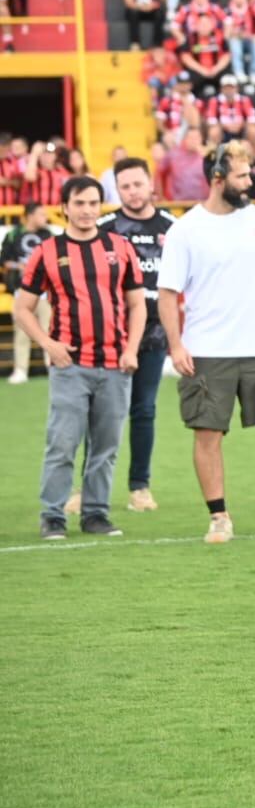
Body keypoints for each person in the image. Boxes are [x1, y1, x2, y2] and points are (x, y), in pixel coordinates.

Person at [157, 142, 255, 543]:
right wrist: (176, 345)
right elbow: (168, 293)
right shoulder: (185, 229)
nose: (250, 182)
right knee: (207, 434)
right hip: (206, 350)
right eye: (242, 177)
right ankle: (219, 515)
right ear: (218, 179)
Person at [17, 176, 145, 540]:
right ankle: (53, 516)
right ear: (64, 207)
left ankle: (95, 515)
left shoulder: (120, 247)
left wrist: (132, 348)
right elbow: (23, 308)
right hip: (70, 366)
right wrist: (49, 344)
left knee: (105, 447)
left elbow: (137, 304)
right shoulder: (46, 252)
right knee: (62, 443)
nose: (87, 210)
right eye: (80, 204)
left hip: (115, 365)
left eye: (93, 203)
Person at [98, 158, 176, 514]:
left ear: (150, 184)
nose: (131, 191)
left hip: (155, 335)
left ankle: (139, 487)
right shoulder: (103, 227)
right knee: (100, 413)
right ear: (118, 189)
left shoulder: (173, 227)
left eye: (137, 184)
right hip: (109, 336)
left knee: (144, 411)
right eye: (124, 186)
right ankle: (89, 488)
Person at [3, 202, 54, 383]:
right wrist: (20, 267)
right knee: (22, 332)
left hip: (45, 292)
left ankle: (52, 366)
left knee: (50, 329)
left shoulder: (48, 235)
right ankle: (20, 370)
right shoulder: (14, 234)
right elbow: (5, 261)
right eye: (41, 214)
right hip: (21, 291)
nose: (44, 217)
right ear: (30, 215)